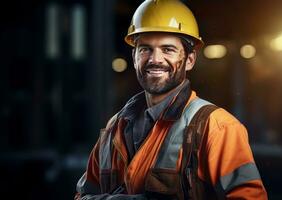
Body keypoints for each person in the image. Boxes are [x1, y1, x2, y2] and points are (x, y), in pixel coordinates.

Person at [75, 0, 268, 199]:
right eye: (145, 49)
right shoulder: (114, 128)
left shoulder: (217, 127)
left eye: (168, 49)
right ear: (134, 57)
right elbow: (82, 196)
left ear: (190, 59)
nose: (155, 59)